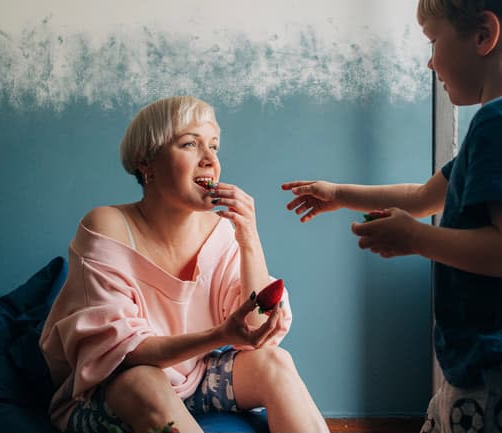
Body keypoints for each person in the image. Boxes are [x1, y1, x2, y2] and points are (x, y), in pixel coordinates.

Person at [282, 1, 502, 432]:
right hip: (491, 361)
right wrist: (339, 194)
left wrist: (416, 239)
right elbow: (424, 196)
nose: (430, 60)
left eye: (434, 41)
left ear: (483, 36)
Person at [40, 96, 328, 433]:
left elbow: (255, 331)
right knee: (143, 380)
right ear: (146, 163)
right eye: (190, 144)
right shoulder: (107, 225)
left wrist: (248, 237)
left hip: (197, 378)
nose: (209, 159)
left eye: (214, 147)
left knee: (275, 361)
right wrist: (218, 335)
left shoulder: (222, 232)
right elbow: (128, 353)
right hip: (110, 394)